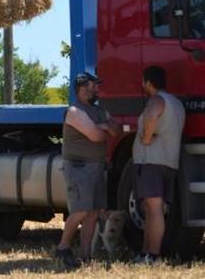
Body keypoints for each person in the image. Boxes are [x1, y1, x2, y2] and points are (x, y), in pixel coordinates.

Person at [55, 72, 121, 269]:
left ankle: (85, 256)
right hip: (79, 168)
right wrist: (104, 127)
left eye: (95, 87)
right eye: (89, 87)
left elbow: (116, 130)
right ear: (80, 90)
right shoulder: (74, 111)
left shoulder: (99, 111)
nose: (94, 90)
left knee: (92, 213)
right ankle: (63, 246)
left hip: (96, 166)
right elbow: (97, 137)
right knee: (81, 211)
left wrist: (104, 125)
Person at [131, 66, 185, 265]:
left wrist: (145, 138)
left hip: (151, 162)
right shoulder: (176, 103)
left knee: (153, 209)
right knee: (153, 209)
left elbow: (152, 116)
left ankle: (152, 255)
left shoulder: (156, 100)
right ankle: (145, 252)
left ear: (148, 82)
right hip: (168, 161)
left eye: (143, 81)